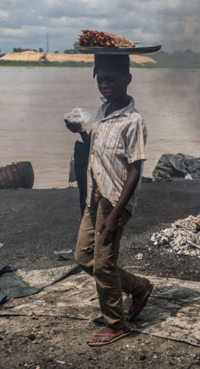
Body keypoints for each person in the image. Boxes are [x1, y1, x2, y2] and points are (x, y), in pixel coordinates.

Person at [66, 54, 153, 347]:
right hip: (96, 194)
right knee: (82, 256)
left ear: (127, 80)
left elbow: (135, 169)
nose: (104, 84)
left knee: (104, 264)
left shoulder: (133, 121)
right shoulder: (103, 111)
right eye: (101, 79)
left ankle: (116, 325)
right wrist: (81, 133)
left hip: (115, 201)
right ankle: (139, 287)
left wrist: (115, 214)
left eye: (111, 79)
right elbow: (97, 150)